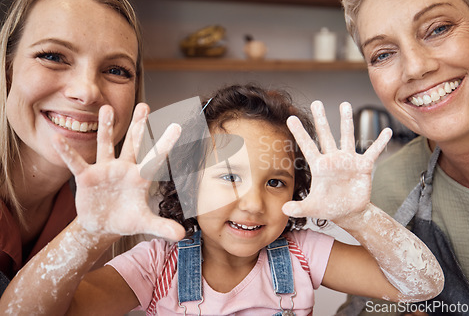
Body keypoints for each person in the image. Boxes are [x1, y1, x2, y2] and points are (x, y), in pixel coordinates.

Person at [0, 83, 444, 315]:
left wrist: (359, 216)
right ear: (189, 185)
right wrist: (88, 232)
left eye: (275, 182)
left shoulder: (304, 255)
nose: (252, 204)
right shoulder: (156, 266)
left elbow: (423, 285)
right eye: (230, 176)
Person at [338, 0, 469, 314]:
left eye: (438, 29)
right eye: (383, 54)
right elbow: (370, 307)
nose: (414, 68)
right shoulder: (390, 185)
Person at [0, 0, 149, 298]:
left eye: (115, 70)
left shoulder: (113, 207)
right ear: (7, 69)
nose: (87, 92)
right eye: (52, 56)